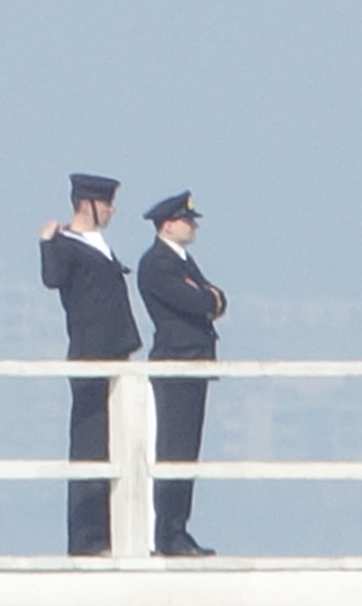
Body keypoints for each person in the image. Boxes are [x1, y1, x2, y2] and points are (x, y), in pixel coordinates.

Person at [40, 172, 142, 555]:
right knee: (90, 446)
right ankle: (87, 538)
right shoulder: (67, 243)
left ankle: (113, 532)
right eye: (107, 203)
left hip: (118, 353)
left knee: (117, 445)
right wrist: (47, 243)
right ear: (88, 204)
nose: (112, 210)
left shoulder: (100, 244)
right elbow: (53, 279)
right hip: (91, 352)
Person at [136, 191, 224, 557]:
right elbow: (201, 301)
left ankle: (178, 528)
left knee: (187, 451)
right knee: (173, 449)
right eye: (188, 220)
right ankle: (167, 533)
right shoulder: (158, 263)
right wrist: (210, 299)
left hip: (195, 362)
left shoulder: (183, 260)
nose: (195, 225)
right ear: (168, 225)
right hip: (176, 362)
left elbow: (217, 298)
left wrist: (212, 298)